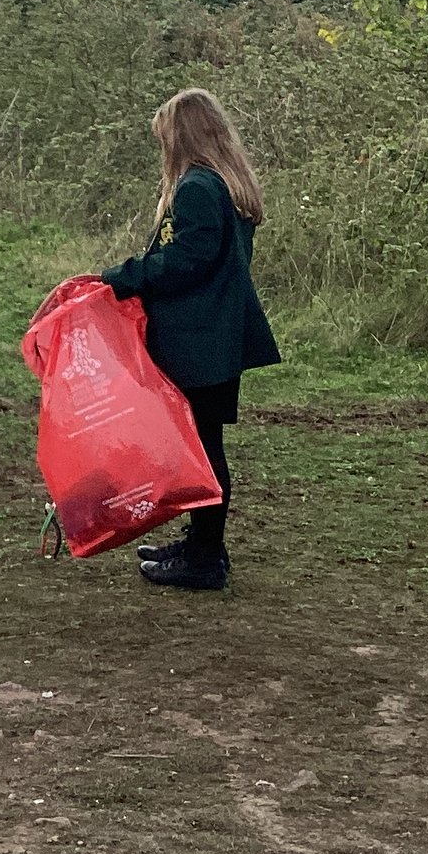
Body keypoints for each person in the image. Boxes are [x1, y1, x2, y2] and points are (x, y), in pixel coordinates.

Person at [100, 87, 281, 592]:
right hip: (215, 334)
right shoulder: (228, 184)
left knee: (202, 447)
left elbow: (189, 259)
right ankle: (203, 543)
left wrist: (124, 276)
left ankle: (204, 556)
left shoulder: (199, 187)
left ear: (183, 135)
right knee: (204, 443)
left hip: (199, 339)